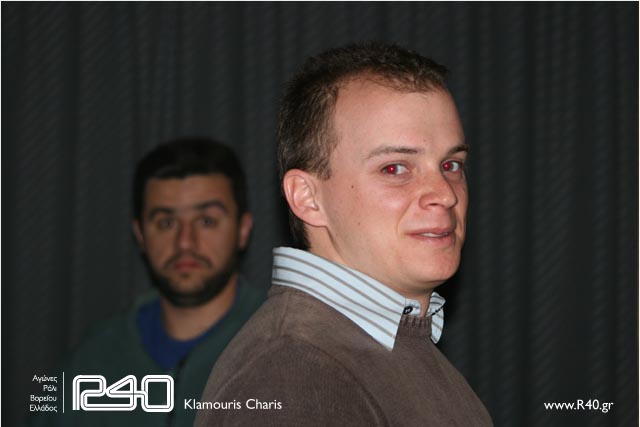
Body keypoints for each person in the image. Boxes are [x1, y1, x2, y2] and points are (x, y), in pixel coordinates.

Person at [195, 43, 493, 426]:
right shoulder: (294, 372)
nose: (446, 194)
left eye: (451, 165)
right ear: (307, 197)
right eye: (395, 169)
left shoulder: (377, 344)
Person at [31, 138, 265, 427]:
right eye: (166, 222)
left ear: (243, 229)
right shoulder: (93, 358)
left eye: (206, 221)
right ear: (140, 234)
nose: (185, 242)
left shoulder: (283, 347)